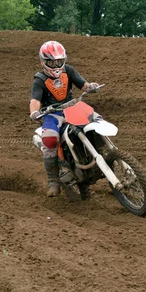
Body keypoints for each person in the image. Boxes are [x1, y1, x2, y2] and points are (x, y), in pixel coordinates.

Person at [29, 40, 99, 197]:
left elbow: (83, 85)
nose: (55, 65)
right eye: (51, 62)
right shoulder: (39, 79)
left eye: (59, 61)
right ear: (43, 61)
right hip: (52, 114)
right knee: (50, 139)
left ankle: (103, 156)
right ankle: (53, 181)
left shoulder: (68, 70)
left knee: (95, 120)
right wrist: (34, 112)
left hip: (73, 107)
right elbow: (35, 100)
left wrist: (90, 87)